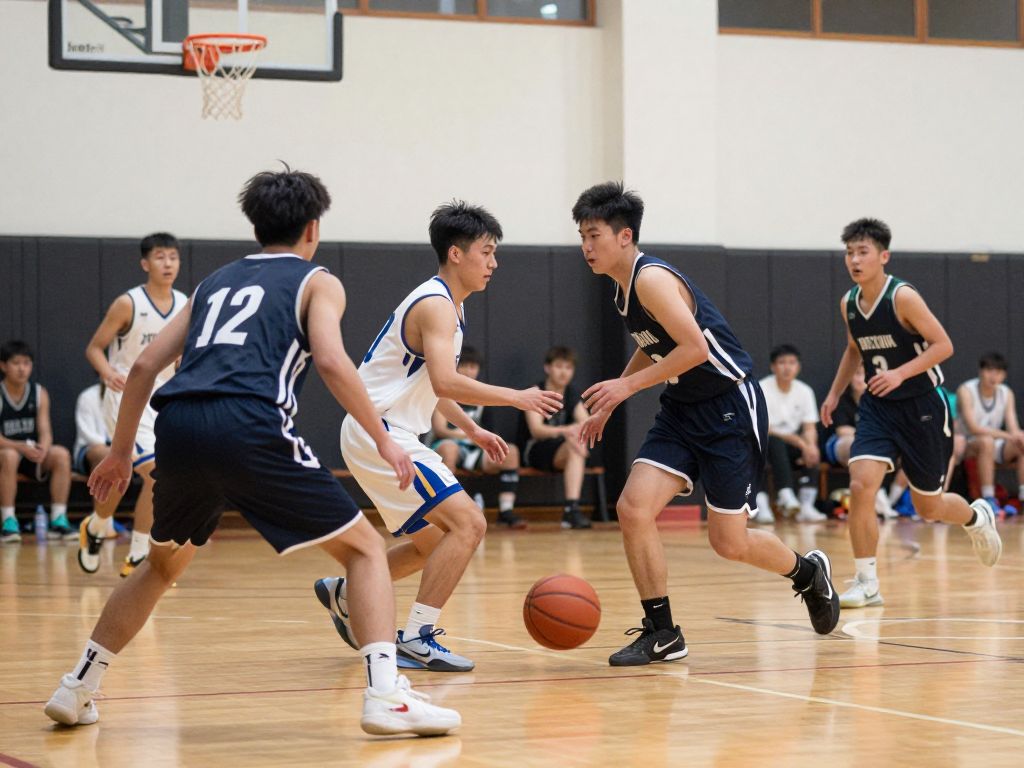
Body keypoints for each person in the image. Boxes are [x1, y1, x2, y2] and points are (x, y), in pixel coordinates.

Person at [44, 166, 459, 736]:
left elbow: (142, 366)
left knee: (160, 567)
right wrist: (384, 438)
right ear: (313, 227)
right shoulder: (318, 282)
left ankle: (76, 687)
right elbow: (334, 363)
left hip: (179, 427)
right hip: (250, 422)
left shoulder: (214, 281)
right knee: (365, 550)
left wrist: (119, 455)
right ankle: (386, 695)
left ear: (256, 224)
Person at [571, 181, 839, 666]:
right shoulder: (622, 289)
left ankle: (806, 572)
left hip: (728, 407)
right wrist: (612, 396)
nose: (586, 246)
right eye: (582, 237)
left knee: (728, 543)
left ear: (624, 236)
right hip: (682, 410)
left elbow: (694, 349)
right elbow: (656, 342)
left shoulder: (651, 278)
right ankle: (662, 631)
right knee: (633, 508)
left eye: (594, 235)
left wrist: (625, 390)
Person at [315, 200, 562, 673]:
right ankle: (417, 636)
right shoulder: (436, 305)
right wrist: (517, 398)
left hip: (379, 430)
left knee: (434, 543)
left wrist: (471, 427)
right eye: (486, 252)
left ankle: (346, 594)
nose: (494, 263)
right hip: (380, 430)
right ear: (455, 253)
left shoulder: (449, 307)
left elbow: (432, 383)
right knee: (470, 525)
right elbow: (447, 381)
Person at [820, 217, 1001, 610]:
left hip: (923, 406)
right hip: (878, 408)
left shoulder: (902, 297)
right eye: (849, 252)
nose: (854, 259)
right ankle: (867, 581)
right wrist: (834, 393)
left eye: (862, 252)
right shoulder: (849, 302)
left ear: (883, 256)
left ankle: (975, 516)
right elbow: (855, 349)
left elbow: (943, 345)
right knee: (861, 484)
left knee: (928, 506)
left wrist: (900, 374)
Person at [82, 233, 187, 577]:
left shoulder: (186, 303)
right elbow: (95, 348)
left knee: (126, 474)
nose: (168, 263)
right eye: (160, 257)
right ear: (146, 264)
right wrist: (107, 371)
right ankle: (140, 553)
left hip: (164, 401)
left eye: (173, 257)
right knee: (158, 472)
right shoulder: (128, 303)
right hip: (127, 398)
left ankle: (97, 525)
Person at [430, 346, 526, 529]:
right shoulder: (443, 389)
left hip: (474, 448)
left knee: (511, 452)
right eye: (464, 366)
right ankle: (447, 513)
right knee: (450, 449)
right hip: (446, 444)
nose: (468, 371)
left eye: (473, 367)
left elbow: (490, 430)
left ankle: (505, 511)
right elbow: (440, 429)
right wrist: (468, 432)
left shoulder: (481, 396)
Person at [0, 340, 74, 543]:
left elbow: (45, 431)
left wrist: (44, 448)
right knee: (9, 455)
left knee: (60, 455)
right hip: (6, 454)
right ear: (3, 366)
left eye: (26, 363)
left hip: (31, 453)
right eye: (16, 363)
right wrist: (19, 447)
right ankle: (8, 521)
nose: (22, 369)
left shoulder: (39, 393)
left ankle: (59, 519)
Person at [518, 346, 593, 529]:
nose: (563, 372)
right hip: (534, 449)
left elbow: (586, 423)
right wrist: (568, 431)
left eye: (568, 368)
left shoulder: (571, 393)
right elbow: (537, 430)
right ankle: (571, 511)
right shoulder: (536, 392)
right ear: (547, 368)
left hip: (562, 448)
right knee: (575, 442)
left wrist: (575, 433)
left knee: (576, 444)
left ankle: (571, 509)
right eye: (559, 366)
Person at [757, 344, 826, 523]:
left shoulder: (804, 391)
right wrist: (801, 443)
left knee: (812, 451)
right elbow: (765, 428)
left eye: (792, 363)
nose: (787, 367)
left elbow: (809, 427)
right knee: (774, 443)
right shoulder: (762, 388)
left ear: (798, 367)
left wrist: (810, 446)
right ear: (773, 367)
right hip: (765, 444)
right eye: (782, 362)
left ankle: (806, 505)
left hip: (794, 444)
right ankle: (781, 496)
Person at [819, 363, 897, 520]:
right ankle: (877, 491)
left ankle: (886, 499)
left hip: (870, 446)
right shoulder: (841, 399)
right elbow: (843, 431)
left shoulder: (880, 400)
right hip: (839, 445)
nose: (860, 379)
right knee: (853, 444)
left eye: (864, 375)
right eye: (856, 374)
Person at [957, 352, 1024, 517]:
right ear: (981, 371)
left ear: (1004, 375)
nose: (994, 376)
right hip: (967, 444)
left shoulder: (1006, 393)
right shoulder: (966, 390)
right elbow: (973, 428)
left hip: (995, 443)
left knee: (1021, 442)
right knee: (986, 442)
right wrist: (1009, 436)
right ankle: (989, 498)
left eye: (999, 372)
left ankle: (1022, 497)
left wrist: (1018, 435)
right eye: (990, 370)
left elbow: (1013, 427)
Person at [73, 382, 118, 539]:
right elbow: (87, 434)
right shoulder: (88, 396)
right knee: (108, 456)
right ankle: (103, 521)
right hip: (87, 452)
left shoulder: (131, 394)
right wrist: (117, 450)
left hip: (122, 452)